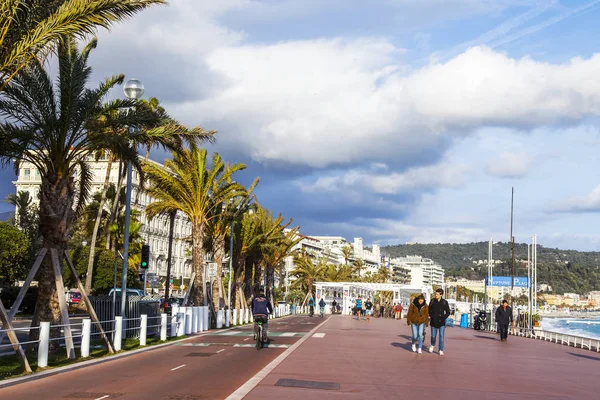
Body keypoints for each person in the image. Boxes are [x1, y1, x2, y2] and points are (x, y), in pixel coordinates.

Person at [428, 288, 451, 356]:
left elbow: (448, 312)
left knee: (441, 336)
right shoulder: (432, 301)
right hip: (433, 321)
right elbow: (429, 310)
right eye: (436, 294)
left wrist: (443, 317)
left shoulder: (444, 302)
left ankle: (441, 349)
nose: (436, 295)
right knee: (433, 336)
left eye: (437, 294)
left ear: (441, 295)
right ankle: (432, 345)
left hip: (441, 322)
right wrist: (432, 316)